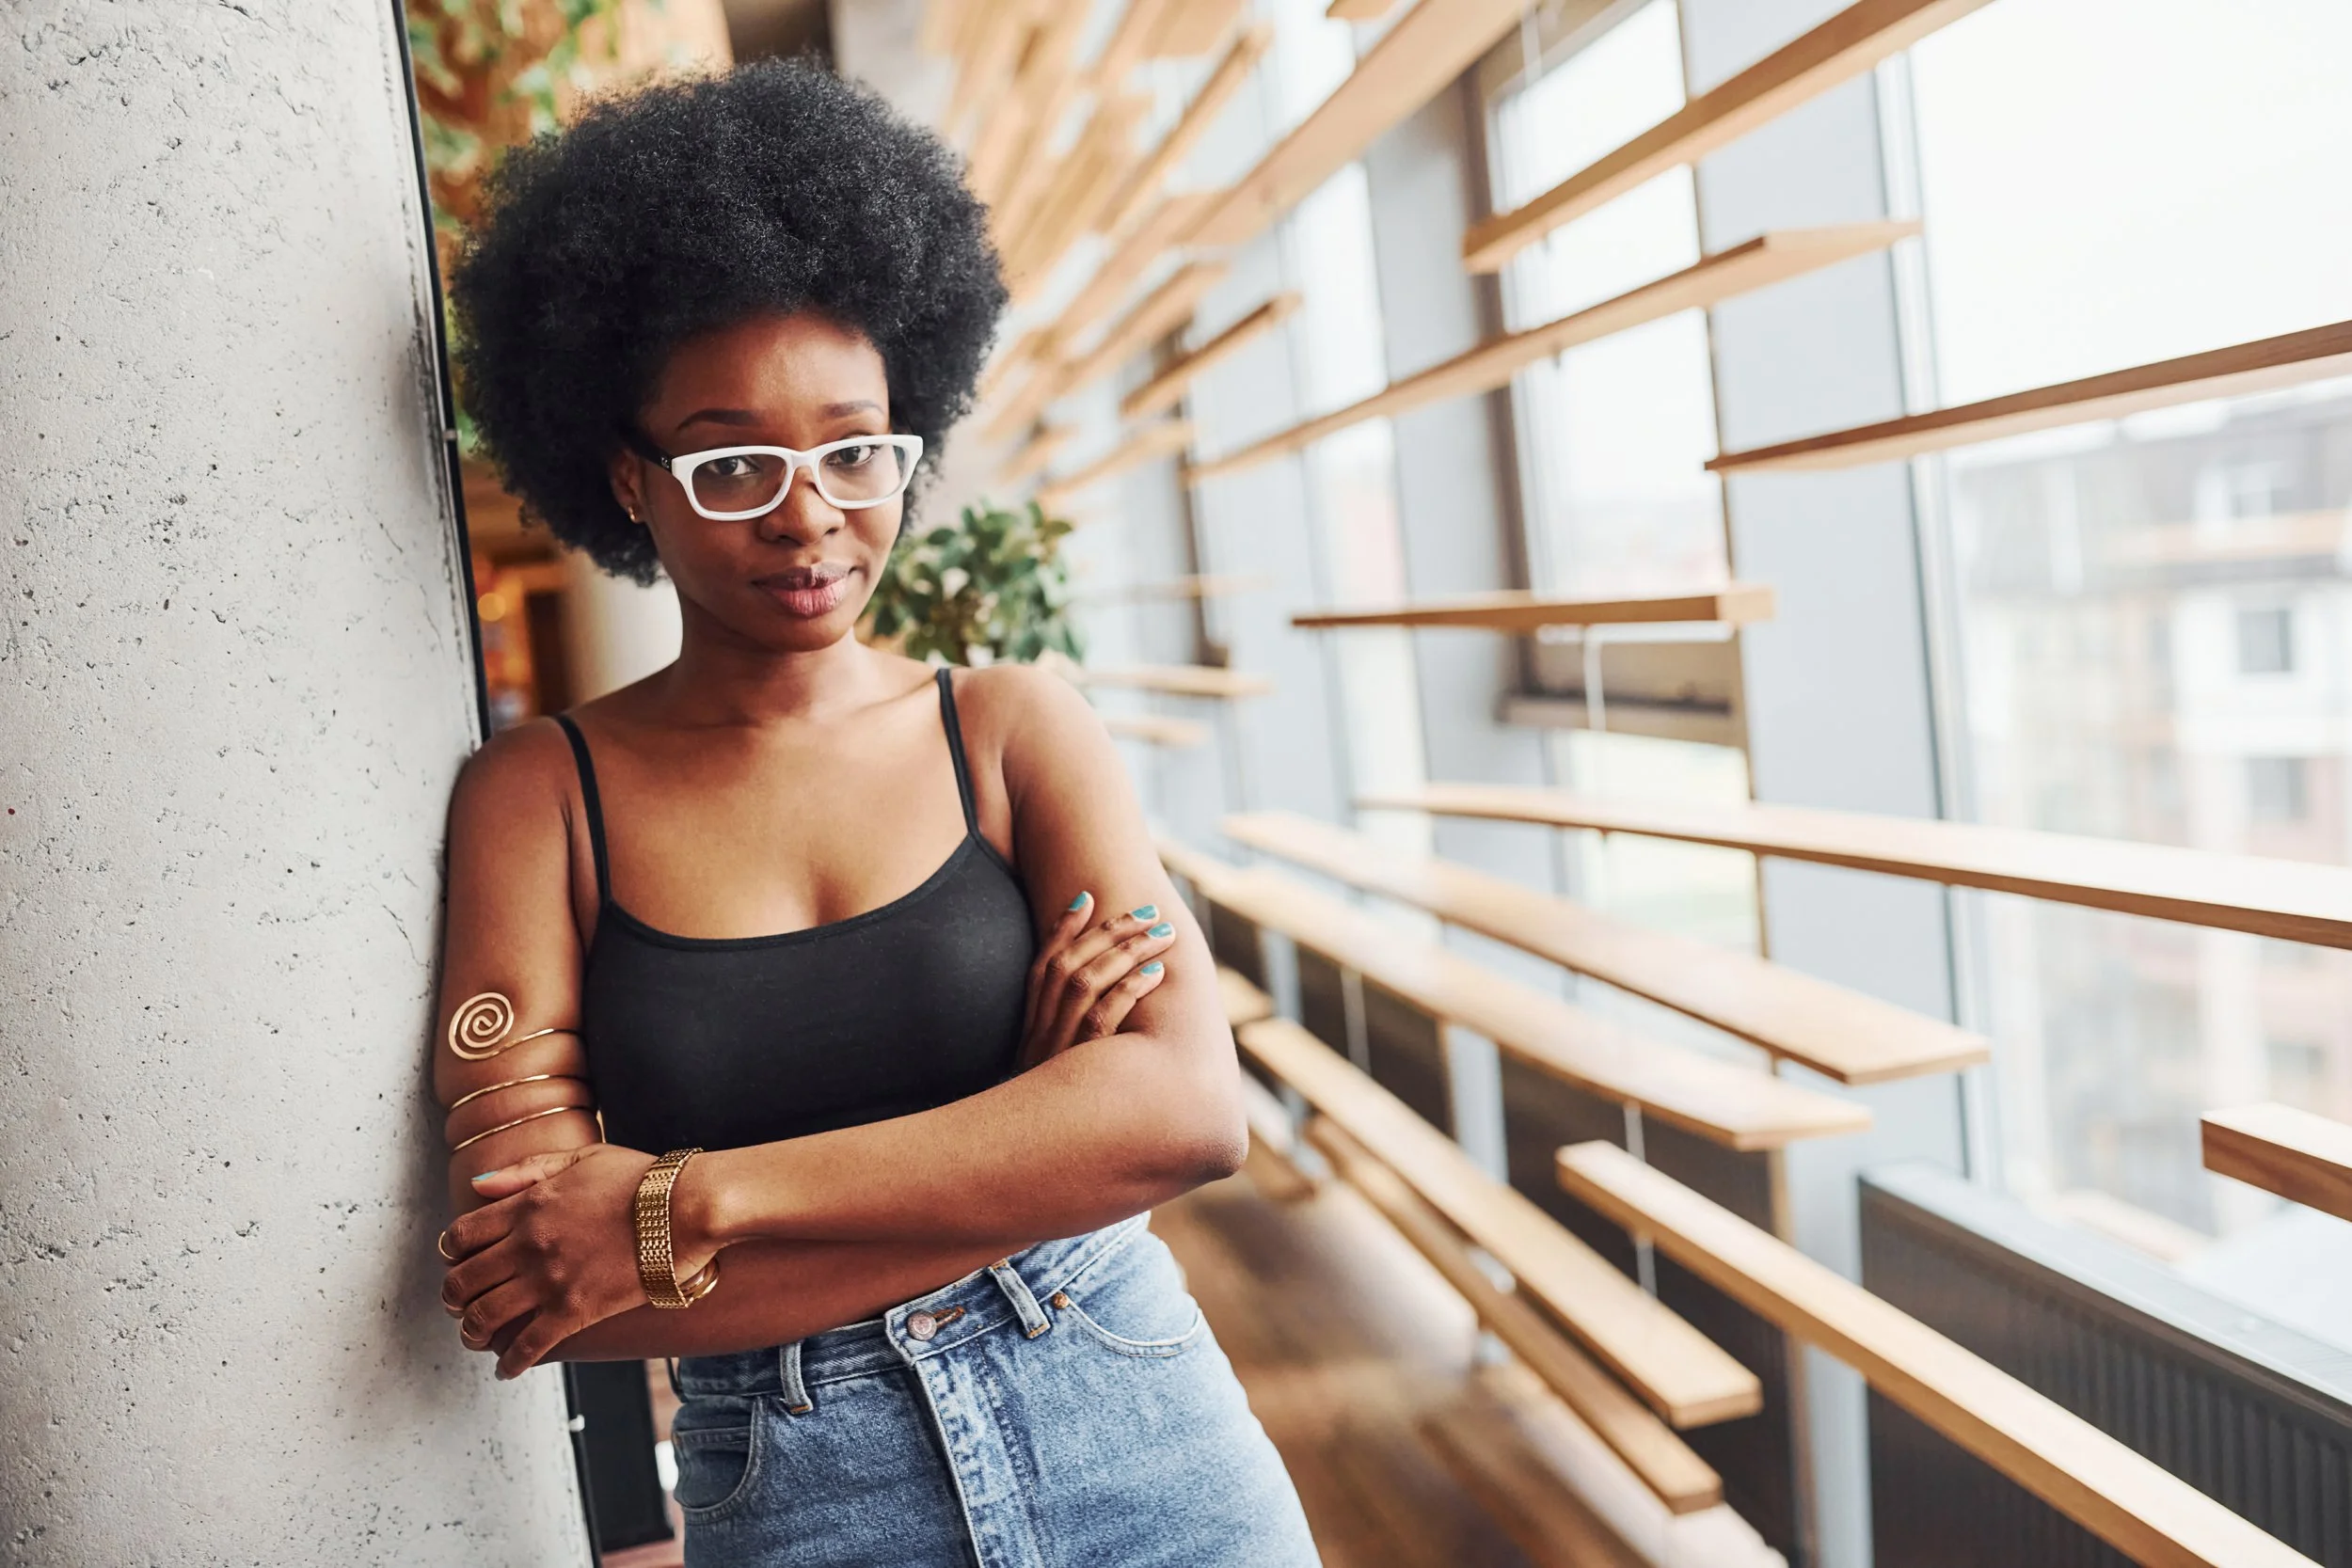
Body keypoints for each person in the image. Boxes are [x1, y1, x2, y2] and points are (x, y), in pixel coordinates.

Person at [429, 59, 1319, 1568]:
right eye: (732, 461)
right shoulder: (540, 799)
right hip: (794, 1490)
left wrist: (696, 1195)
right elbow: (548, 1285)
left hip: (1138, 1428)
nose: (809, 511)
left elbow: (1187, 1112)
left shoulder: (1016, 729)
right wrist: (1031, 1139)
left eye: (856, 447)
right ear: (628, 479)